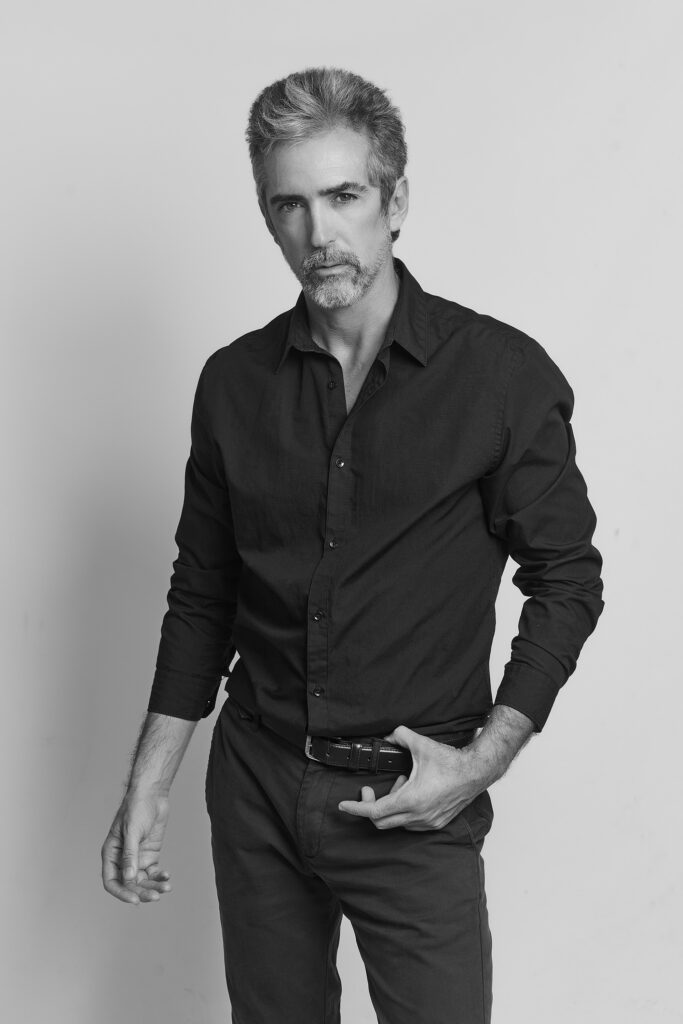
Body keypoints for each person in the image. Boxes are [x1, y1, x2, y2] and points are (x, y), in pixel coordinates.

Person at [101, 67, 604, 1024]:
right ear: (266, 217)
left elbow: (567, 579)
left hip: (413, 794)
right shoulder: (233, 385)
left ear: (394, 201)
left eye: (343, 196)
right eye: (288, 204)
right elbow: (202, 593)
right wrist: (148, 785)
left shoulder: (497, 377)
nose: (318, 233)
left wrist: (482, 761)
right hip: (255, 785)